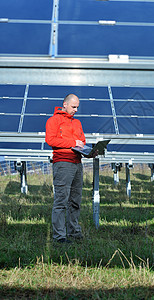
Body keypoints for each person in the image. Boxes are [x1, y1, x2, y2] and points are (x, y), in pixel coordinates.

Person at [45, 94, 86, 244]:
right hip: (63, 163)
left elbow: (82, 141)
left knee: (75, 200)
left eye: (77, 107)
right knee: (61, 200)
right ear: (65, 104)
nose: (76, 110)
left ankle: (74, 232)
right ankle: (59, 236)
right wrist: (72, 142)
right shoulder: (53, 120)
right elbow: (51, 140)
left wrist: (89, 151)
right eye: (73, 107)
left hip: (77, 163)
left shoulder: (77, 123)